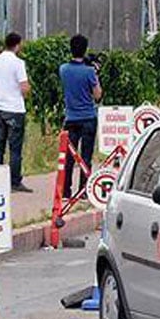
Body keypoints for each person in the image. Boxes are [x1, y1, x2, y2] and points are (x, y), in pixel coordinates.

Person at [0, 32, 32, 192]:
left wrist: (1, 91)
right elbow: (24, 87)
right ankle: (14, 181)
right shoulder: (18, 63)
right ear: (17, 45)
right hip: (15, 109)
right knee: (15, 148)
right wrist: (24, 92)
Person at [59, 34, 102, 199]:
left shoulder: (63, 69)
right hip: (88, 118)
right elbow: (97, 95)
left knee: (69, 156)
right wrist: (96, 74)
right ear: (85, 50)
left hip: (70, 118)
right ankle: (84, 190)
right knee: (86, 156)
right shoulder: (90, 71)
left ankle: (65, 191)